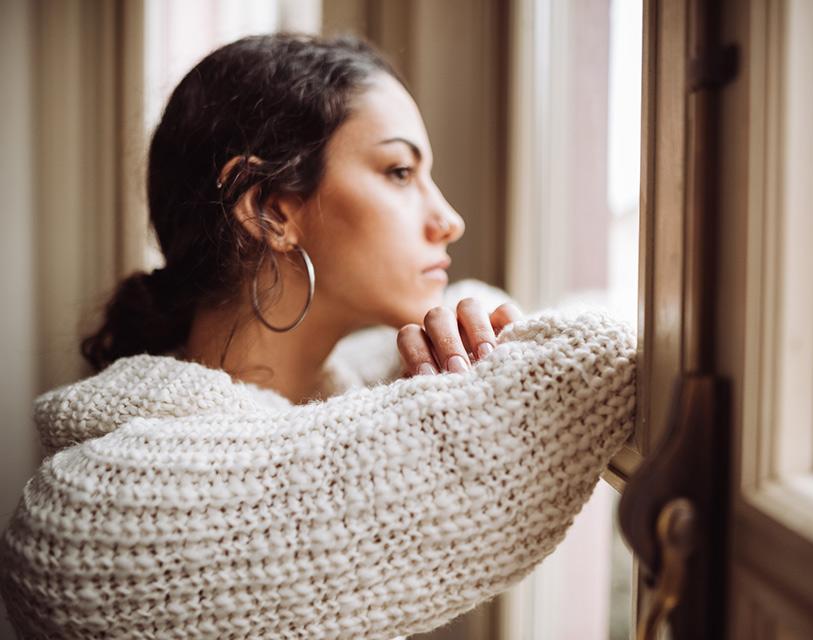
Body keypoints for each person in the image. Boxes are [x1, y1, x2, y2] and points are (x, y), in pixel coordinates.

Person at [0, 34, 637, 639]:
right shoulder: (96, 513)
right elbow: (587, 365)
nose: (448, 219)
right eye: (398, 172)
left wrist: (480, 330)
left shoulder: (344, 392)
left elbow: (473, 325)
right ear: (272, 210)